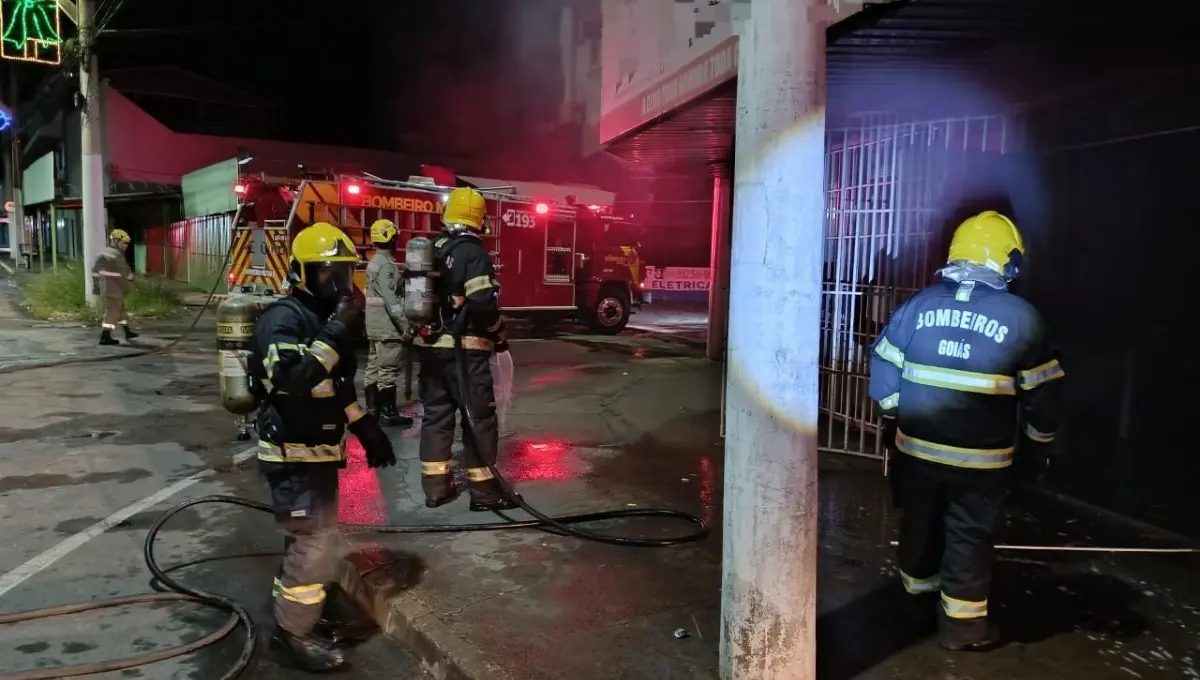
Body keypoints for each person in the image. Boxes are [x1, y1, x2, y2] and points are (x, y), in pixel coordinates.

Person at [868, 210, 1065, 652]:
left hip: (916, 451)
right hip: (982, 463)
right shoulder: (1024, 319)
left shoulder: (917, 306)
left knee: (919, 524)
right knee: (969, 535)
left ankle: (914, 609)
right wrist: (1040, 444)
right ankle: (961, 629)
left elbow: (883, 365)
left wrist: (894, 416)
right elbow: (1043, 396)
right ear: (1006, 260)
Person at [249, 222, 397, 672]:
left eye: (344, 271)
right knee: (313, 545)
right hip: (292, 455)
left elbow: (336, 388)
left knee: (309, 543)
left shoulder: (326, 319)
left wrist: (366, 426)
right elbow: (295, 379)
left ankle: (297, 617)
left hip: (318, 454)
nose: (338, 283)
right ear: (301, 273)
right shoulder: (285, 318)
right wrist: (335, 329)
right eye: (327, 273)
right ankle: (293, 636)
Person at [412, 187, 518, 512]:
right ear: (479, 219)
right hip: (466, 352)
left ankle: (436, 489)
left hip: (431, 351)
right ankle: (485, 495)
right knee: (479, 420)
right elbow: (483, 304)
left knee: (436, 418)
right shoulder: (474, 254)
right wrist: (498, 332)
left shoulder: (433, 248)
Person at [363, 218, 414, 427]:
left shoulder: (373, 262)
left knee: (373, 368)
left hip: (374, 326)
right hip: (387, 327)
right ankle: (388, 413)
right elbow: (392, 301)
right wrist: (405, 327)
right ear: (391, 239)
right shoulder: (387, 266)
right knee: (388, 371)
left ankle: (373, 410)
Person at [91, 228, 137, 346]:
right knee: (112, 312)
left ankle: (127, 331)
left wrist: (96, 287)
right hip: (114, 289)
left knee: (120, 310)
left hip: (109, 287)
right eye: (124, 243)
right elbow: (125, 271)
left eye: (127, 243)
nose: (126, 246)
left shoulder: (104, 252)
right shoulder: (116, 254)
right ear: (116, 241)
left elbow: (95, 271)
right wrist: (133, 278)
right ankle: (105, 336)